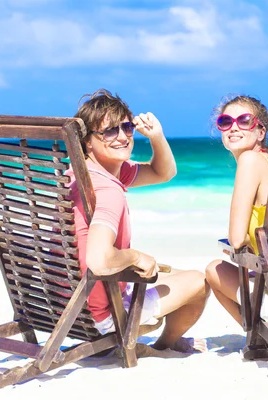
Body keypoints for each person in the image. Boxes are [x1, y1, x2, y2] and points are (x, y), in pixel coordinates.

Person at [68, 89, 209, 353]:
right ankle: (165, 346)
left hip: (70, 306)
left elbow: (163, 172)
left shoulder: (77, 174)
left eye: (127, 127)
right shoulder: (108, 190)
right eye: (109, 131)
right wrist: (134, 256)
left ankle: (172, 338)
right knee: (199, 282)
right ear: (88, 141)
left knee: (175, 273)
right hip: (104, 314)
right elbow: (98, 260)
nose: (122, 137)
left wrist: (156, 137)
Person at [204, 94, 268, 328]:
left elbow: (235, 239)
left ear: (261, 132)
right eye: (225, 122)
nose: (233, 128)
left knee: (215, 269)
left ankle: (260, 336)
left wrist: (240, 243)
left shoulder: (250, 161)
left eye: (244, 120)